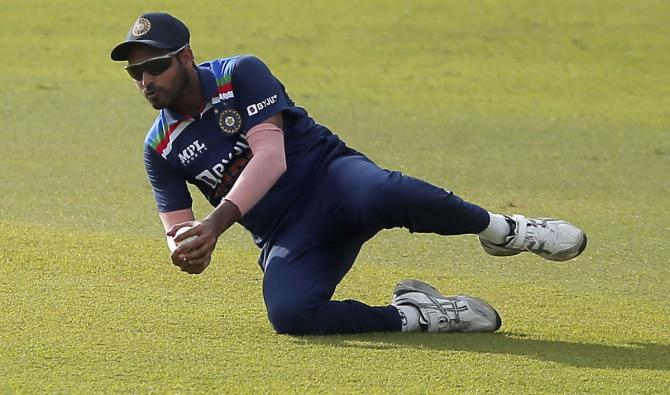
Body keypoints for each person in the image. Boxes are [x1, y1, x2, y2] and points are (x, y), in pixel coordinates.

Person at [110, 12, 587, 335]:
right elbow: (177, 227)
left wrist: (215, 225)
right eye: (137, 74)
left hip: (332, 179)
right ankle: (420, 316)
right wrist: (187, 249)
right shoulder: (160, 146)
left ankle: (505, 230)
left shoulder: (240, 73)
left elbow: (271, 158)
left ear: (186, 57)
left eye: (156, 66)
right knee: (290, 315)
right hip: (286, 232)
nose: (147, 80)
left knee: (380, 189)